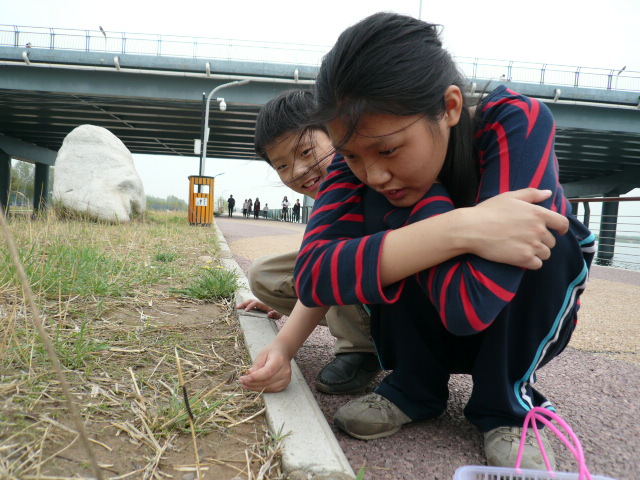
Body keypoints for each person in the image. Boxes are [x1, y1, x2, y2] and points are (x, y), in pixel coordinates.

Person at [239, 13, 595, 470]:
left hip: (507, 319)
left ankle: (505, 405)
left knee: (550, 233)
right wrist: (453, 225)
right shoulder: (358, 166)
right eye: (351, 156)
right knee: (377, 212)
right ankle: (412, 386)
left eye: (388, 149)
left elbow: (471, 305)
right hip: (427, 319)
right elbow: (311, 277)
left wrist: (412, 222)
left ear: (448, 107)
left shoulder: (515, 121)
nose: (375, 174)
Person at [238, 89, 381, 395]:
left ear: (336, 133)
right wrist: (285, 303)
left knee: (334, 259)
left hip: (388, 279)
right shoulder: (323, 201)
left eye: (305, 152)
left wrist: (285, 343)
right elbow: (314, 266)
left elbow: (327, 267)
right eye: (282, 166)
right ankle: (351, 327)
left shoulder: (362, 178)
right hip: (358, 275)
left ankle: (360, 349)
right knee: (263, 274)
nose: (299, 171)